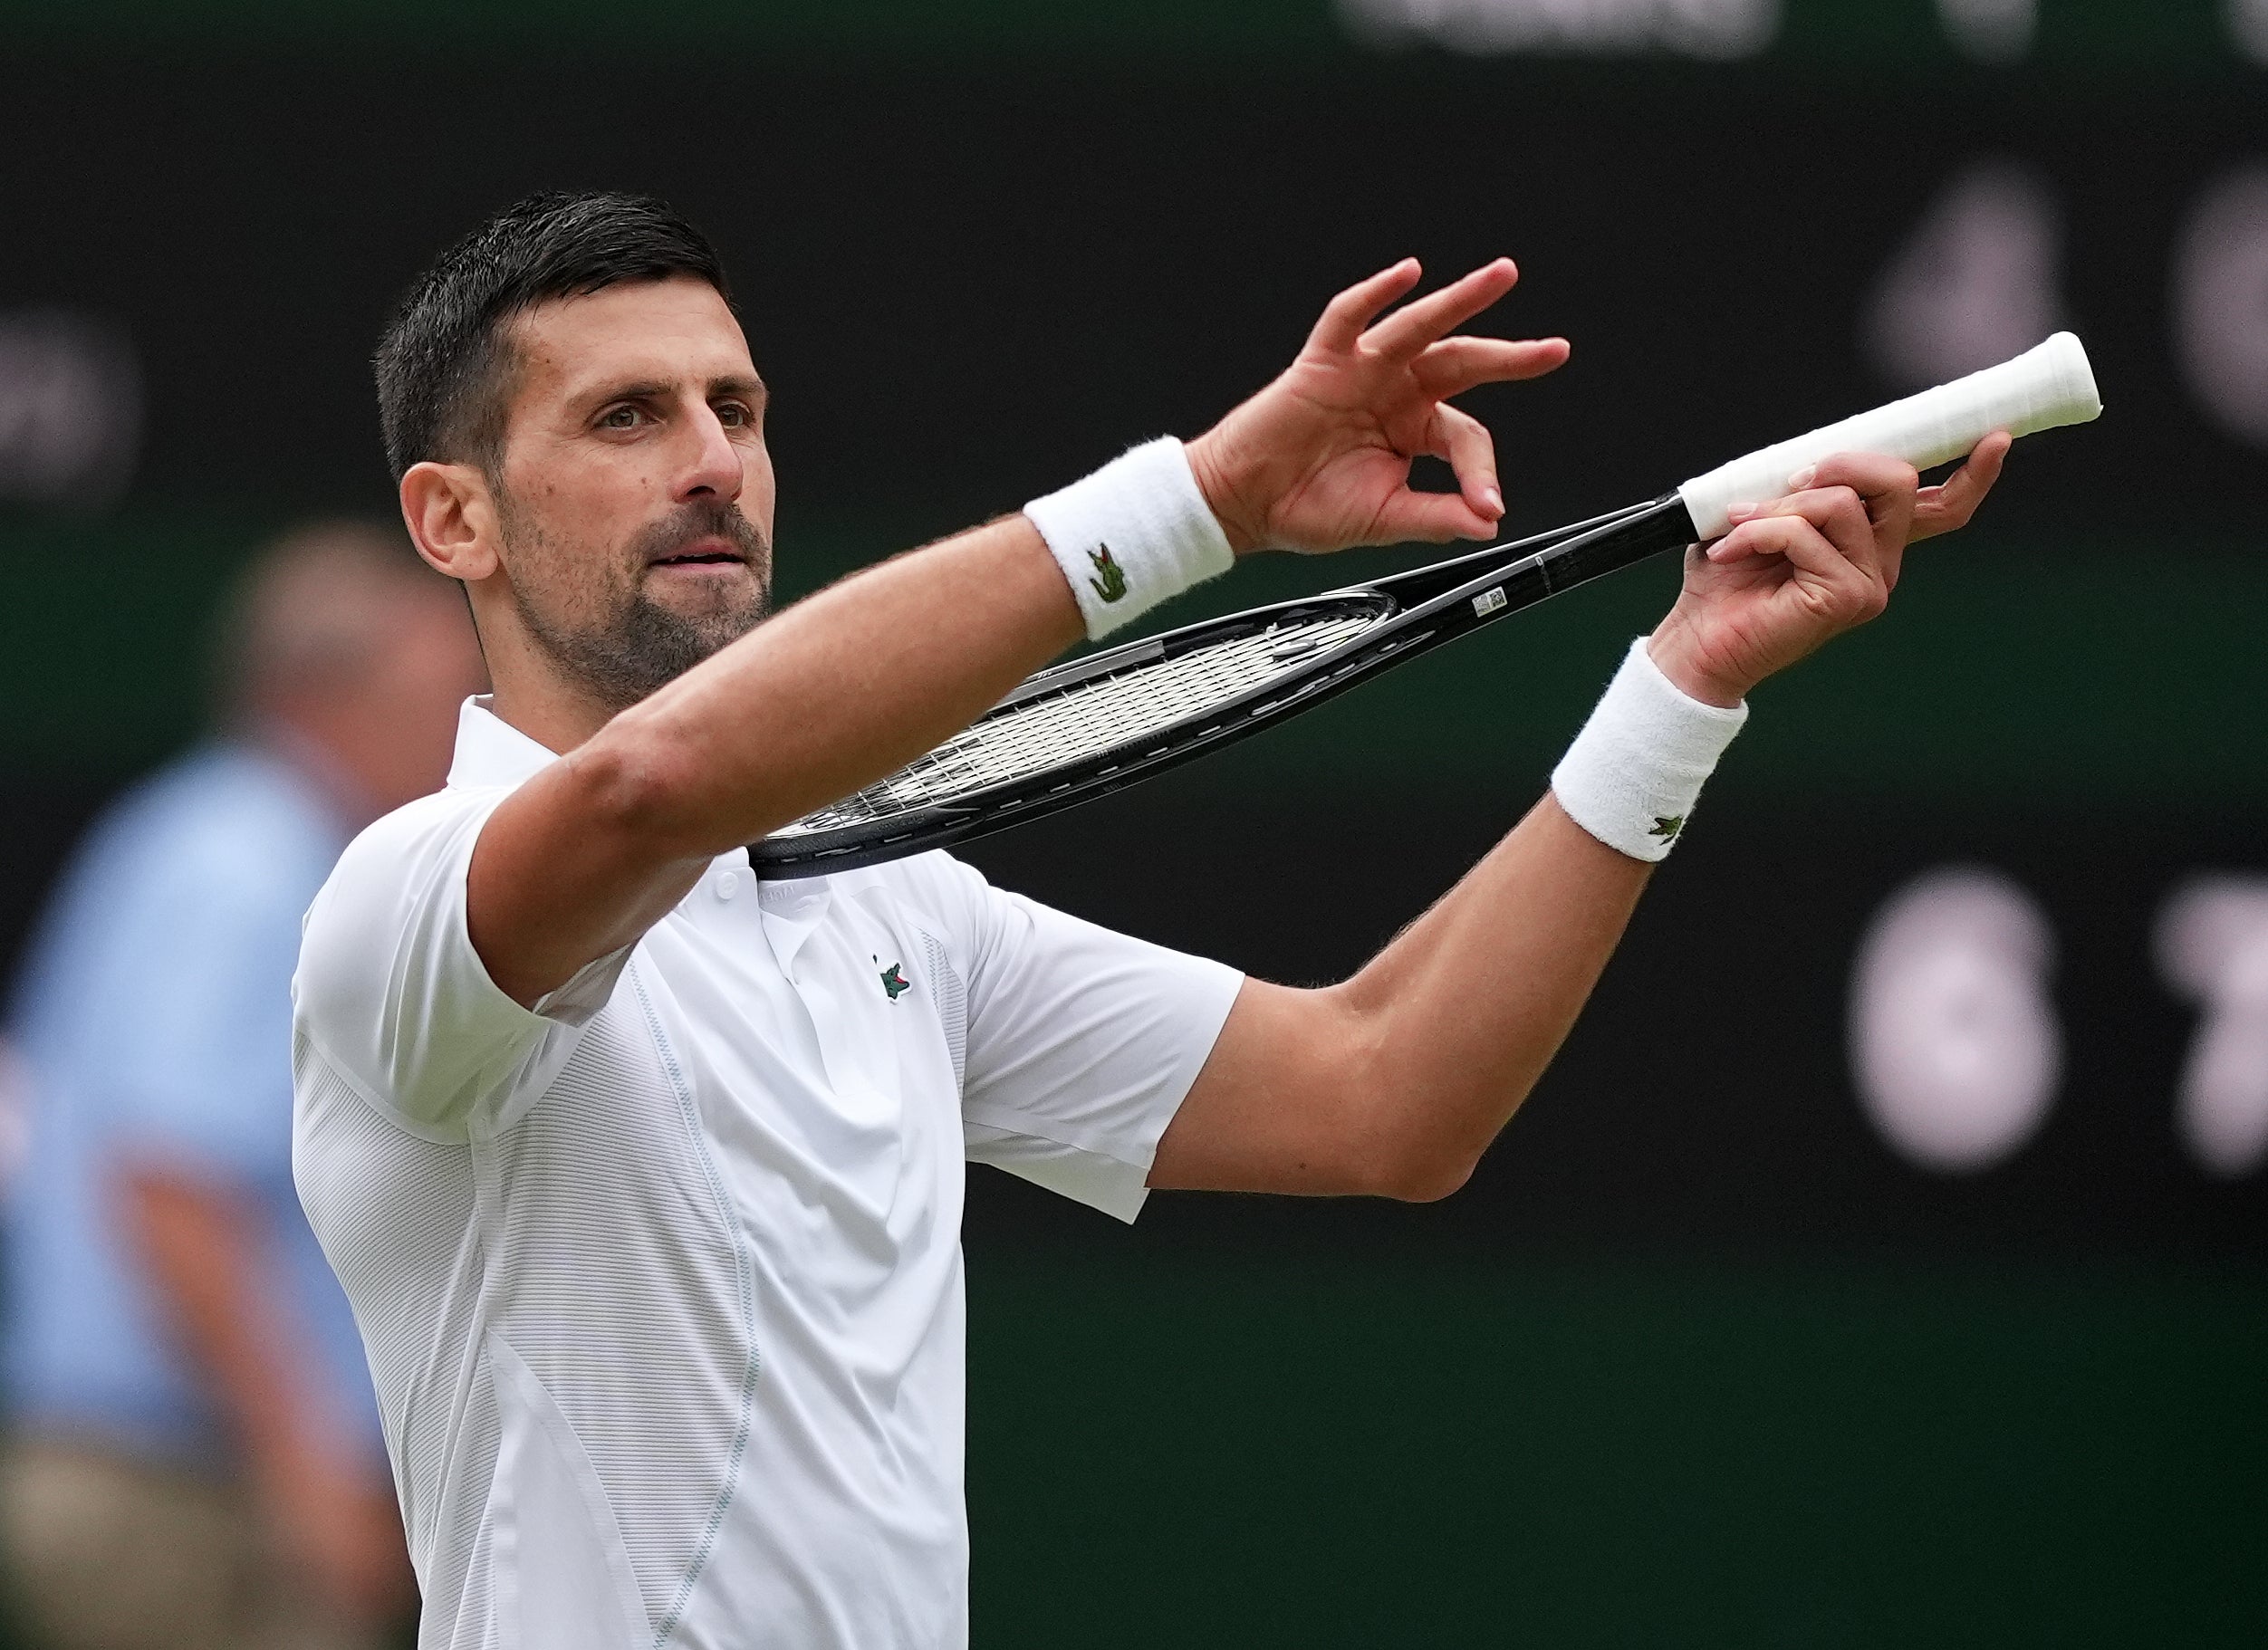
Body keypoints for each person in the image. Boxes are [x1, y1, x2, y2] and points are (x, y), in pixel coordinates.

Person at [292, 192, 2009, 1650]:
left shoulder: (893, 910)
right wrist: (1203, 502)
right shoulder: (401, 905)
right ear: (454, 520)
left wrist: (1682, 684)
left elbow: (1381, 1092)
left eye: (733, 410)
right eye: (624, 418)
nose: (710, 465)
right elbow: (647, 792)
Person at [3, 522, 485, 1650]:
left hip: (168, 1476)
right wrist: (306, 1470)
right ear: (319, 698)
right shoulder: (249, 861)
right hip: (178, 1490)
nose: (463, 732)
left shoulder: (214, 836)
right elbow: (172, 1189)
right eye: (441, 694)